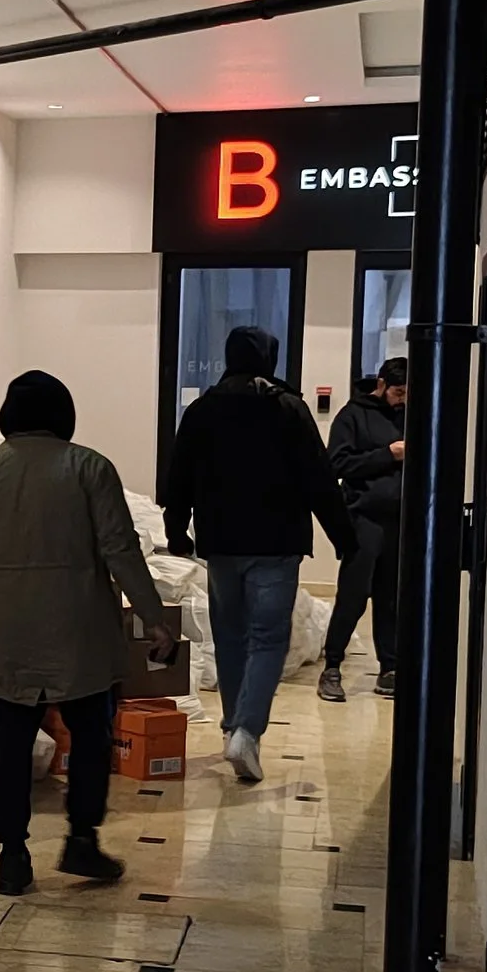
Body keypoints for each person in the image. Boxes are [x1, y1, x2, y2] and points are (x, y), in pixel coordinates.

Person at [0, 367, 177, 895]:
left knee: (13, 740)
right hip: (78, 629)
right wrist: (154, 616)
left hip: (4, 628)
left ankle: (13, 855)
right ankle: (81, 842)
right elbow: (120, 548)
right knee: (91, 735)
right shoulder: (89, 467)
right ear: (64, 415)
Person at [161, 326, 354, 785]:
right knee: (268, 638)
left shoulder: (203, 410)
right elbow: (318, 479)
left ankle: (235, 727)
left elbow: (179, 475)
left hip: (221, 542)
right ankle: (246, 730)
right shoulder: (288, 408)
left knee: (229, 636)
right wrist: (343, 539)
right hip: (277, 543)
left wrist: (176, 531)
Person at [317, 355, 408, 701]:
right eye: (398, 392)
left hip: (400, 521)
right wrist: (388, 454)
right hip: (363, 518)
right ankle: (333, 666)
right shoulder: (353, 416)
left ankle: (390, 667)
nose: (402, 399)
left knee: (391, 598)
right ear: (381, 385)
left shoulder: (410, 415)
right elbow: (337, 463)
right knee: (354, 596)